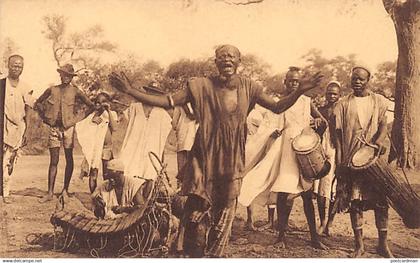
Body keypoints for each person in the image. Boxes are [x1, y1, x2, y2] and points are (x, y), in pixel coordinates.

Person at [109, 45, 323, 257]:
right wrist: (130, 91)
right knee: (196, 213)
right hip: (202, 158)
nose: (227, 59)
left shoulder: (250, 87)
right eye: (222, 56)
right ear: (216, 61)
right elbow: (167, 101)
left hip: (232, 161)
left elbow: (277, 106)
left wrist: (300, 91)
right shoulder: (200, 86)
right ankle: (191, 251)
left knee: (224, 214)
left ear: (239, 62)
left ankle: (215, 255)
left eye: (232, 56)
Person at [333, 66, 392, 258]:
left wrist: (378, 142)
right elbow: (339, 136)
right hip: (352, 159)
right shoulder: (342, 104)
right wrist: (341, 161)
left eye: (361, 79)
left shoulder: (379, 101)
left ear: (369, 79)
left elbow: (383, 125)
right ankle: (359, 246)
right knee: (355, 202)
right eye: (354, 79)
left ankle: (383, 245)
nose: (357, 82)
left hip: (373, 160)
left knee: (381, 203)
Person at [270, 67, 328, 249]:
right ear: (285, 82)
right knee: (283, 193)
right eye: (291, 81)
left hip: (303, 150)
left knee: (307, 195)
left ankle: (314, 237)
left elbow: (323, 123)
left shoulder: (306, 101)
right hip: (286, 150)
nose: (294, 84)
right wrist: (274, 132)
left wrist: (319, 123)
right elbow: (273, 126)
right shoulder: (281, 102)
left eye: (297, 81)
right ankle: (281, 236)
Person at [34, 63, 95, 203]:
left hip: (68, 128)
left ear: (71, 77)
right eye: (63, 74)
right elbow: (38, 103)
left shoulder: (75, 91)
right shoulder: (52, 90)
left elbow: (90, 106)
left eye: (68, 75)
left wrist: (76, 119)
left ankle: (65, 190)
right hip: (54, 128)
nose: (65, 77)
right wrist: (46, 118)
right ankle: (49, 193)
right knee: (53, 160)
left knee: (69, 158)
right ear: (60, 74)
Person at [0, 55, 34, 203]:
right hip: (3, 126)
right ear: (8, 66)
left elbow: (29, 110)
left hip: (18, 128)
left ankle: (5, 192)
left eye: (19, 66)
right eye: (14, 65)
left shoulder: (26, 87)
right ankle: (3, 193)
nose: (16, 68)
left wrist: (27, 130)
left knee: (10, 161)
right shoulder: (2, 84)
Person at [313, 81, 341, 236]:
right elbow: (313, 129)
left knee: (333, 188)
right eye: (329, 93)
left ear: (339, 95)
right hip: (321, 149)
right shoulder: (320, 111)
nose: (331, 96)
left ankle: (329, 222)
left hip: (337, 150)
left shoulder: (342, 110)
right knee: (320, 188)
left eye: (335, 94)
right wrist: (316, 123)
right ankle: (322, 221)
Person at [76, 91, 118, 193]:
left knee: (107, 173)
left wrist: (108, 111)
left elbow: (114, 127)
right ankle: (94, 196)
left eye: (103, 102)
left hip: (106, 148)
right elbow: (83, 127)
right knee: (93, 172)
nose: (99, 105)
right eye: (97, 102)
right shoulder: (92, 115)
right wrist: (92, 122)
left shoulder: (112, 114)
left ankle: (106, 196)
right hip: (94, 148)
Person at [171, 104, 198, 187]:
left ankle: (181, 191)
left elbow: (174, 123)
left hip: (183, 140)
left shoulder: (180, 103)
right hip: (195, 139)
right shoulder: (200, 101)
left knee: (182, 170)